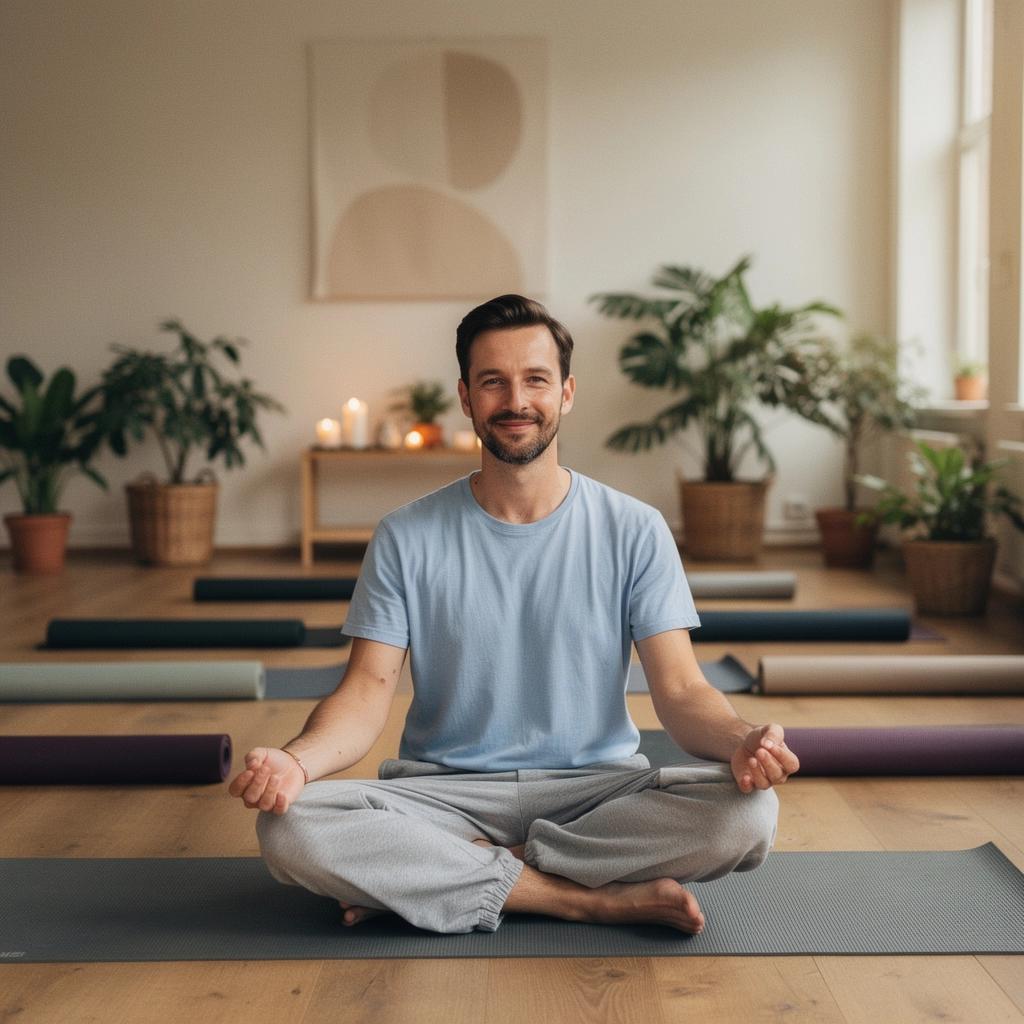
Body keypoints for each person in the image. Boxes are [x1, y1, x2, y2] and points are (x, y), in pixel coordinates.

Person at [229, 294, 799, 936]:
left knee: (747, 814)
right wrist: (297, 762)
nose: (516, 400)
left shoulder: (636, 529)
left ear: (567, 392)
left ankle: (451, 876)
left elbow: (682, 690)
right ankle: (582, 898)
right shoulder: (404, 535)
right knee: (289, 826)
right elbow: (364, 693)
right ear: (467, 398)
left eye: (535, 379)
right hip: (444, 795)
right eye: (493, 382)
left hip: (595, 794)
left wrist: (742, 740)